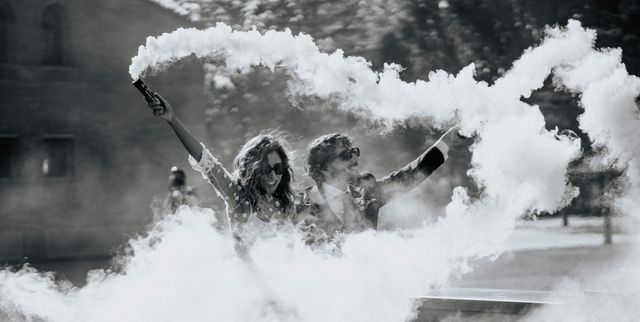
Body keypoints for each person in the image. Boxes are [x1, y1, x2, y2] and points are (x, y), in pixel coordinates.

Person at [147, 95, 295, 228]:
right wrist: (172, 119)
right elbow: (204, 158)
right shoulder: (238, 200)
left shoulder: (286, 203)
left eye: (278, 168)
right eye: (265, 169)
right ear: (252, 169)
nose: (273, 176)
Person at [296, 129, 456, 240]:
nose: (354, 159)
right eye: (345, 155)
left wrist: (449, 140)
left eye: (354, 152)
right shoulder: (304, 204)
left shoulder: (367, 189)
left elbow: (409, 176)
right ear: (324, 167)